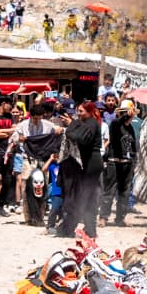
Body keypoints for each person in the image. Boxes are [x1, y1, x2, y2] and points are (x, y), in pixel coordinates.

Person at [59, 101, 105, 237]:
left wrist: (71, 125)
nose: (78, 114)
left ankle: (87, 230)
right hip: (87, 164)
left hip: (91, 164)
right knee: (84, 197)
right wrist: (73, 124)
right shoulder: (87, 123)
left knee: (87, 198)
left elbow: (81, 138)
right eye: (77, 111)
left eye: (81, 111)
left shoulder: (91, 123)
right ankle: (82, 229)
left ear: (90, 112)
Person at [102, 101, 138, 226]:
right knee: (109, 192)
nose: (129, 116)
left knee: (125, 193)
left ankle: (120, 218)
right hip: (114, 163)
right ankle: (103, 217)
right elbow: (117, 123)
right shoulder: (115, 125)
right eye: (126, 114)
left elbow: (133, 146)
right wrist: (125, 116)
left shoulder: (131, 128)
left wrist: (134, 161)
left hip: (127, 164)